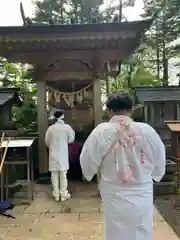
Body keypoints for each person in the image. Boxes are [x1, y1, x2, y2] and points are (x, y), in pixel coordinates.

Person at [80, 92, 166, 240]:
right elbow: (159, 157)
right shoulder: (147, 130)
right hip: (141, 190)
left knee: (115, 231)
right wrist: (155, 174)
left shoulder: (101, 131)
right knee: (141, 229)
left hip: (113, 192)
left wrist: (90, 173)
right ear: (131, 109)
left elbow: (87, 160)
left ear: (109, 111)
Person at [45, 110, 75, 202]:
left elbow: (47, 142)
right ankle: (63, 194)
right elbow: (71, 140)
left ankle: (56, 194)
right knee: (63, 174)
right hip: (63, 153)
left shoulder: (50, 129)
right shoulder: (67, 127)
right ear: (63, 116)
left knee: (54, 174)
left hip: (53, 153)